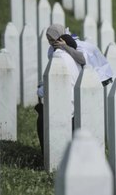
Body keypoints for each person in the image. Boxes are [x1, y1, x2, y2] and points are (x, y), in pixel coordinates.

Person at [36, 24, 82, 154]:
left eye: (52, 39)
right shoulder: (72, 57)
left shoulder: (58, 58)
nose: (50, 43)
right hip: (75, 103)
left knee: (42, 121)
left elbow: (47, 89)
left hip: (64, 105)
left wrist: (39, 89)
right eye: (48, 39)